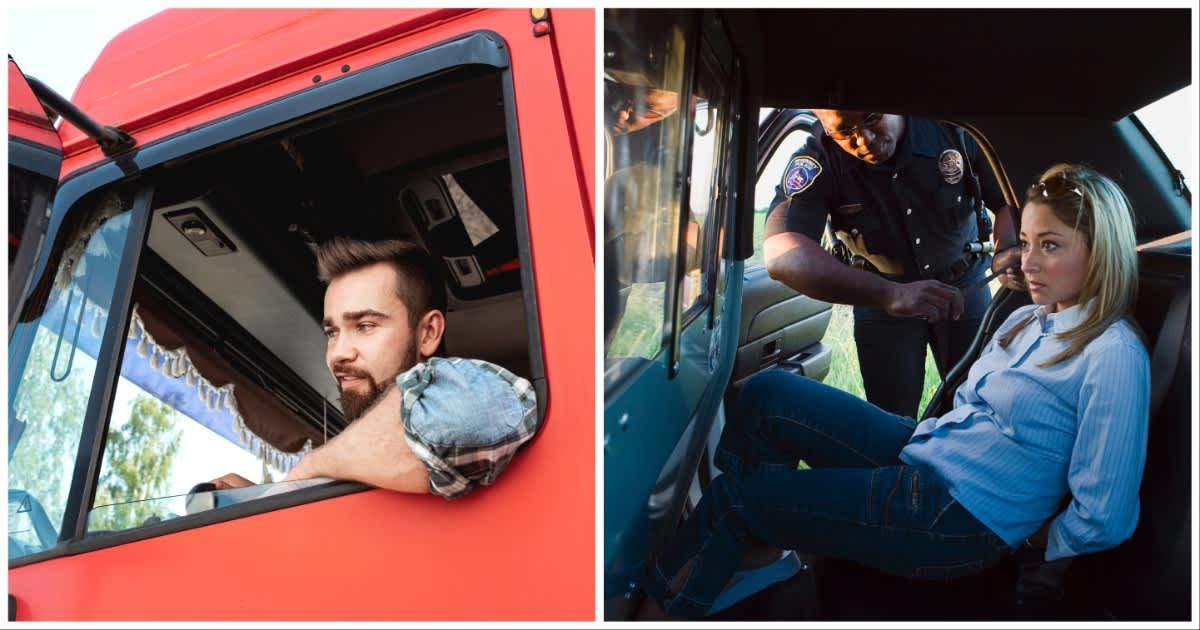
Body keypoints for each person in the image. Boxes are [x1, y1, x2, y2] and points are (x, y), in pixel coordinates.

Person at [645, 163, 1149, 619]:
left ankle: (662, 605)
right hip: (930, 449)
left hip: (955, 516)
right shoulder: (1025, 320)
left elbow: (1105, 513)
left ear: (1100, 251)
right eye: (1029, 241)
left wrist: (1035, 541)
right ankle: (752, 549)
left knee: (735, 501)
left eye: (1052, 245)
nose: (1028, 262)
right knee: (767, 395)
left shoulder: (1112, 353)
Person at [211, 237, 539, 499]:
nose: (338, 353)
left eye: (365, 325)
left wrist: (312, 468)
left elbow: (472, 417)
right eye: (332, 332)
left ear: (428, 333)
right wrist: (265, 498)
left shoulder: (468, 390)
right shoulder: (370, 457)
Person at [763, 110, 1023, 418]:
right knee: (890, 421)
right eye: (845, 132)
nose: (864, 140)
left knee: (983, 406)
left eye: (872, 120)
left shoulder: (955, 131)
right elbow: (782, 254)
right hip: (882, 302)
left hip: (964, 289)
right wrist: (889, 294)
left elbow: (1009, 198)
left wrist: (1007, 247)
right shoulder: (819, 160)